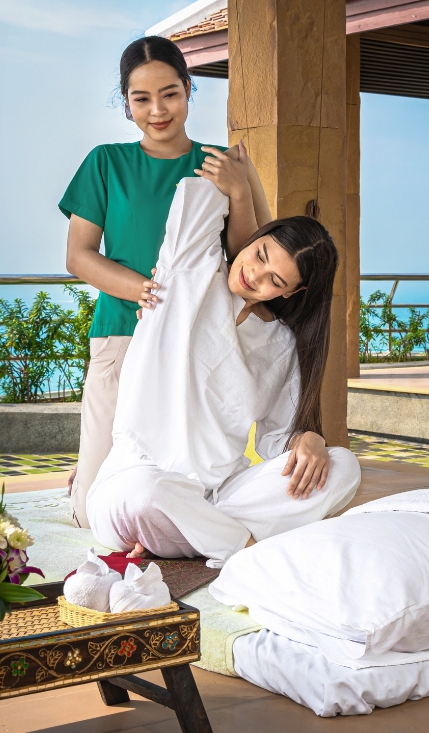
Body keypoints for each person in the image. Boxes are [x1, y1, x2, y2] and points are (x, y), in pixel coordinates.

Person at [85, 178, 362, 567]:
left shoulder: (281, 344)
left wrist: (309, 438)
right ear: (256, 237)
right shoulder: (189, 274)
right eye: (261, 254)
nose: (256, 275)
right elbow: (197, 195)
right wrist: (242, 187)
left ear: (291, 294)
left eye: (275, 281)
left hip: (218, 494)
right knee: (147, 492)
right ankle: (245, 548)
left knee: (342, 468)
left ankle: (194, 536)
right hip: (136, 479)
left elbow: (275, 440)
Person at [60, 36, 270, 528]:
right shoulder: (105, 163)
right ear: (126, 101)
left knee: (187, 480)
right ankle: (87, 473)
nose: (158, 110)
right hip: (121, 331)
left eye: (170, 93)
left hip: (193, 343)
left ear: (190, 89)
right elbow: (78, 256)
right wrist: (143, 292)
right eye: (141, 98)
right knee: (93, 513)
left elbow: (249, 259)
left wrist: (239, 191)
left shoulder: (226, 162)